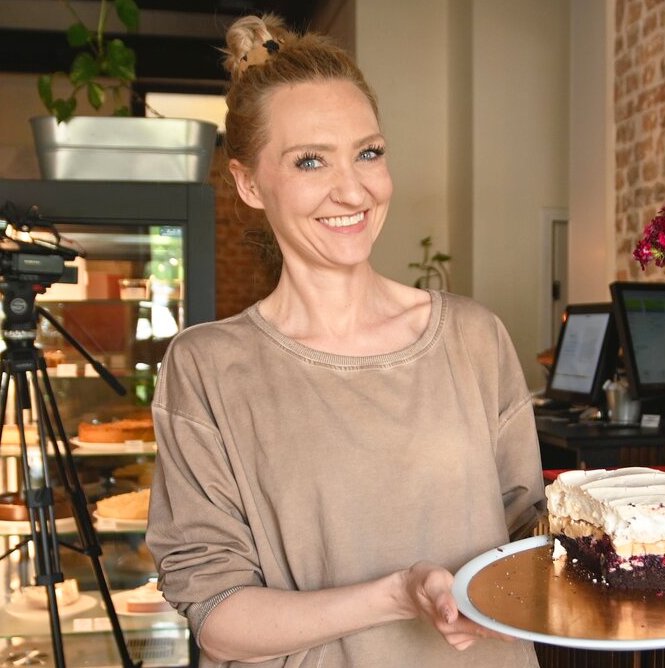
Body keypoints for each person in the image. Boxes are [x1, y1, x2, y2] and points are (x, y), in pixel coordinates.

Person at [146, 13, 545, 668]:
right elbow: (219, 618)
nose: (353, 189)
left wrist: (607, 528)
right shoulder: (209, 369)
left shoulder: (474, 337)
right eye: (310, 161)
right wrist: (396, 595)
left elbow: (526, 542)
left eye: (369, 152)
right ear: (249, 183)